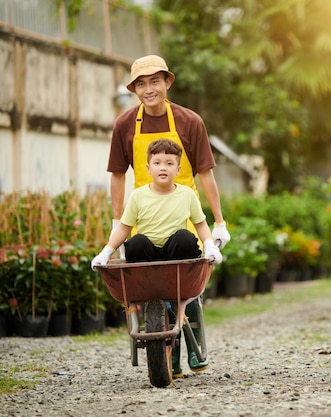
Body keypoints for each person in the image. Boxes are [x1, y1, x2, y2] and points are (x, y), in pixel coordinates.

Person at [107, 54, 231, 378]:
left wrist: (218, 222)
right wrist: (116, 222)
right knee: (152, 284)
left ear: (167, 82)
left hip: (183, 216)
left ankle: (196, 346)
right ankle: (167, 356)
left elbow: (206, 174)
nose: (149, 89)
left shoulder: (190, 122)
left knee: (188, 285)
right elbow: (118, 175)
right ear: (134, 89)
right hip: (144, 218)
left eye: (155, 81)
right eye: (141, 84)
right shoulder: (124, 125)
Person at [92, 139, 222, 378]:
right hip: (148, 261)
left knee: (184, 236)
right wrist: (106, 252)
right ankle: (169, 354)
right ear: (148, 168)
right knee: (137, 241)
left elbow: (201, 224)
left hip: (178, 258)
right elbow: (124, 228)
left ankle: (189, 350)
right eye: (158, 162)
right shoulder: (139, 196)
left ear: (179, 169)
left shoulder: (186, 195)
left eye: (170, 163)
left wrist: (210, 247)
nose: (163, 167)